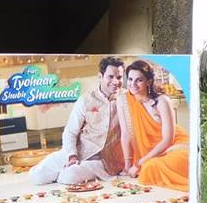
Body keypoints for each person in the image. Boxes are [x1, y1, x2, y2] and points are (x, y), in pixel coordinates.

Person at [26, 57, 126, 186]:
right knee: (36, 176)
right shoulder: (86, 99)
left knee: (68, 178)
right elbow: (70, 132)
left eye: (119, 77)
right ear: (100, 76)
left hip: (104, 159)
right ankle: (67, 167)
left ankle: (70, 171)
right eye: (111, 77)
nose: (115, 82)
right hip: (81, 150)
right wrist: (72, 156)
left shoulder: (126, 99)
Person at [118, 59, 190, 190]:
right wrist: (129, 164)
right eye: (130, 79)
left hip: (174, 147)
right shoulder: (124, 100)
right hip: (149, 153)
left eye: (139, 80)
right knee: (150, 168)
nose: (133, 84)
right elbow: (126, 134)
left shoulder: (162, 101)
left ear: (149, 82)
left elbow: (168, 140)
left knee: (153, 166)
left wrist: (139, 163)